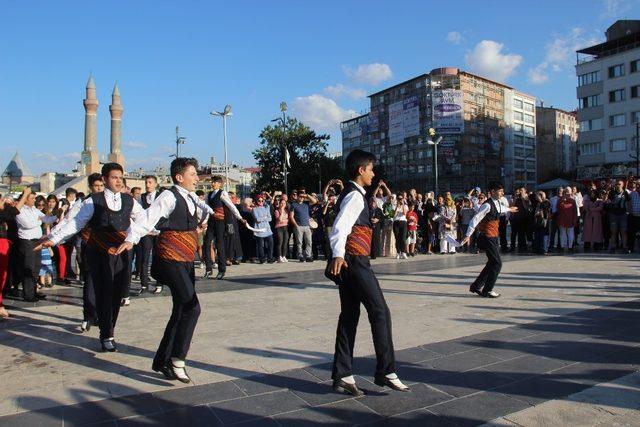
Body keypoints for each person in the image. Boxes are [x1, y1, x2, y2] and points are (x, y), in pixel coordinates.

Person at [114, 157, 214, 383]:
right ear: (179, 177)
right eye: (193, 174)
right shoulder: (169, 195)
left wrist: (200, 225)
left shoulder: (191, 198)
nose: (197, 178)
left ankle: (162, 360)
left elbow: (191, 218)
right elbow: (148, 219)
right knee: (192, 307)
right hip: (170, 259)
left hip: (186, 259)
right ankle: (178, 359)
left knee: (181, 309)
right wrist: (131, 239)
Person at [327, 149, 409, 396]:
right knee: (380, 311)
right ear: (361, 170)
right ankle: (386, 370)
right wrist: (339, 254)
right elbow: (340, 227)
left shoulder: (355, 194)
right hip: (355, 262)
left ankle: (343, 374)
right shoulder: (354, 196)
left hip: (350, 261)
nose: (373, 174)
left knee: (349, 315)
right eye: (371, 169)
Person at [39, 163, 145, 352]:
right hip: (99, 253)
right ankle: (106, 334)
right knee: (104, 291)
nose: (119, 181)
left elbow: (144, 219)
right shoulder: (92, 201)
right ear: (104, 180)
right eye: (114, 177)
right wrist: (54, 239)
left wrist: (139, 235)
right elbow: (75, 224)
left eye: (121, 177)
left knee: (117, 293)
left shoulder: (129, 201)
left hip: (120, 253)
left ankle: (109, 328)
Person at [461, 182, 517, 298]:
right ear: (493, 191)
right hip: (487, 237)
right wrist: (468, 235)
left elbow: (501, 209)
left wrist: (509, 209)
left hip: (493, 236)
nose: (502, 192)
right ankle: (488, 290)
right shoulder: (487, 205)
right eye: (500, 190)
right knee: (497, 263)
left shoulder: (497, 203)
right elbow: (475, 219)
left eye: (502, 190)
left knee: (492, 263)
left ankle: (476, 286)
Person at [16, 188, 60, 302]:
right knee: (28, 267)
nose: (34, 200)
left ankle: (33, 291)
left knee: (36, 268)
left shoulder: (34, 210)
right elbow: (27, 224)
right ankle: (28, 294)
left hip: (37, 241)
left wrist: (57, 215)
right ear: (25, 199)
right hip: (27, 242)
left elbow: (47, 219)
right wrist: (39, 221)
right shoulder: (20, 210)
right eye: (32, 198)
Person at [203, 176, 247, 280]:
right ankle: (208, 268)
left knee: (219, 244)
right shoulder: (209, 195)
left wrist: (240, 218)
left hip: (220, 222)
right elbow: (207, 209)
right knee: (207, 242)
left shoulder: (222, 193)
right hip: (212, 221)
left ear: (219, 184)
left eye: (215, 182)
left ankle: (222, 270)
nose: (212, 184)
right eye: (212, 182)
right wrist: (204, 222)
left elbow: (231, 206)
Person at [137, 175, 161, 294]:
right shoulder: (141, 198)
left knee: (158, 258)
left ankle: (159, 282)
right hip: (146, 232)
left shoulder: (160, 196)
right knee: (144, 258)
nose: (147, 185)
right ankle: (144, 284)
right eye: (146, 182)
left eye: (150, 182)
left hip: (158, 232)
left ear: (156, 184)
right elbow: (140, 214)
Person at [290, 189, 317, 262]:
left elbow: (315, 201)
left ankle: (308, 256)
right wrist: (296, 225)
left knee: (309, 242)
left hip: (307, 226)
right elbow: (291, 216)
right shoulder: (293, 204)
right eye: (300, 196)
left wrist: (307, 195)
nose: (301, 198)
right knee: (299, 242)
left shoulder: (306, 203)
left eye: (302, 196)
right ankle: (300, 255)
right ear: (297, 196)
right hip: (299, 226)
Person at [606, 180, 630, 254]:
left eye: (619, 184)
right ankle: (613, 247)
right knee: (613, 232)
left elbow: (628, 203)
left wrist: (628, 212)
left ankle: (624, 247)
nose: (618, 185)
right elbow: (608, 201)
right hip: (613, 215)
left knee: (623, 232)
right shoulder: (611, 193)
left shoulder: (626, 193)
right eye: (617, 184)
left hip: (623, 215)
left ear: (622, 185)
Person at [252, 195, 274, 263]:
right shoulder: (254, 209)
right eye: (259, 200)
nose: (261, 202)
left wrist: (263, 218)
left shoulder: (266, 207)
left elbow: (270, 218)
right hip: (259, 229)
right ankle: (262, 259)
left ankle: (270, 258)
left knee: (270, 244)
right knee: (260, 245)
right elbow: (257, 219)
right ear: (256, 201)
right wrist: (265, 217)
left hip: (267, 229)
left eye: (262, 201)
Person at [556, 187, 578, 254]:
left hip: (570, 219)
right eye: (566, 192)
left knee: (570, 233)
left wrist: (574, 219)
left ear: (571, 193)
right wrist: (562, 200)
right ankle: (562, 247)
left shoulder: (573, 200)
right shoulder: (560, 200)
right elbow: (558, 208)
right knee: (562, 234)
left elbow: (575, 211)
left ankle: (570, 247)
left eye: (569, 192)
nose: (568, 194)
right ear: (564, 193)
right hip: (562, 219)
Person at [392, 194, 408, 259]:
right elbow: (394, 215)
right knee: (397, 238)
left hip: (403, 222)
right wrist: (397, 206)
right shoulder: (394, 205)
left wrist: (403, 204)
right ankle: (398, 252)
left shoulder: (405, 206)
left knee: (403, 238)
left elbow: (404, 213)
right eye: (399, 199)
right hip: (396, 222)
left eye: (401, 199)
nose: (400, 200)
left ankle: (403, 252)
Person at [274, 197, 290, 263]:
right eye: (282, 203)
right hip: (279, 228)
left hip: (285, 228)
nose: (283, 204)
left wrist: (284, 219)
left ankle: (284, 256)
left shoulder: (287, 211)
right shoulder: (276, 211)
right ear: (279, 204)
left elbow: (288, 220)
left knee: (285, 243)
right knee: (280, 242)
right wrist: (282, 211)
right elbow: (279, 219)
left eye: (284, 203)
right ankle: (279, 256)